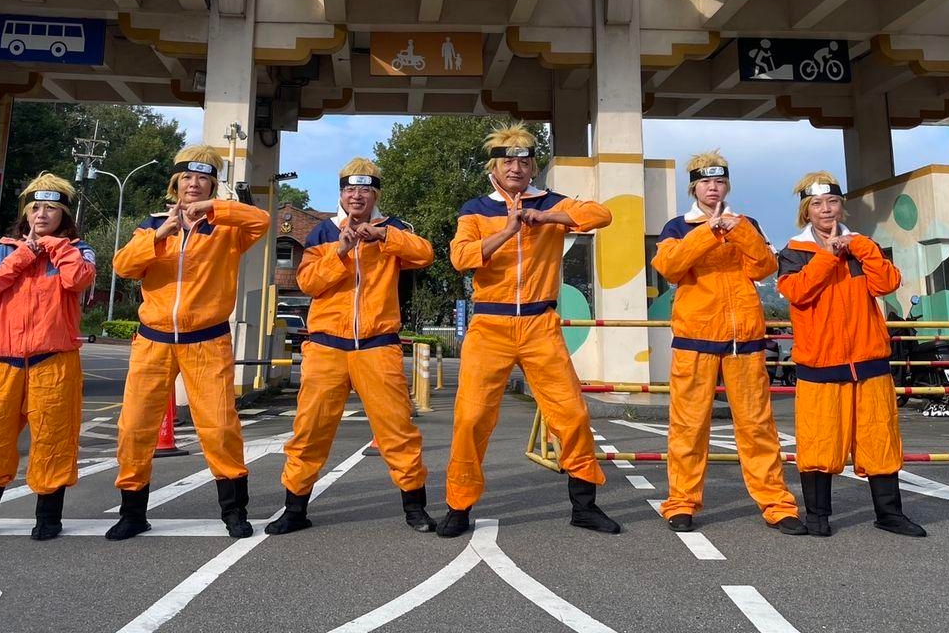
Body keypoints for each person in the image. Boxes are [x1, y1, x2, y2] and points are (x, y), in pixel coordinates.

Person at [437, 122, 619, 538]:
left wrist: (549, 216)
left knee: (571, 413)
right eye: (507, 161)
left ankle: (585, 505)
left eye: (523, 160)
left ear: (533, 165)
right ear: (494, 167)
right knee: (470, 418)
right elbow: (461, 257)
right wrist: (508, 230)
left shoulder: (552, 203)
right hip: (490, 323)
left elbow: (601, 214)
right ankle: (458, 506)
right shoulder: (475, 209)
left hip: (540, 322)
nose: (516, 167)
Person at [106, 146, 269, 541]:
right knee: (135, 426)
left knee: (219, 427)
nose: (193, 185)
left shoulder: (226, 229)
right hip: (153, 340)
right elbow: (123, 266)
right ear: (175, 184)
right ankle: (132, 511)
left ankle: (233, 511)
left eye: (202, 179)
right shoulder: (151, 225)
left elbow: (262, 220)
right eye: (187, 178)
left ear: (212, 185)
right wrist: (160, 236)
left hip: (207, 340)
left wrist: (215, 208)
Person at [266, 158, 436, 535]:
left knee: (397, 429)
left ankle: (415, 507)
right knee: (310, 429)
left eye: (364, 189)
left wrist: (384, 237)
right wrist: (339, 252)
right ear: (341, 193)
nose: (356, 196)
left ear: (375, 193)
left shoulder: (393, 228)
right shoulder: (323, 232)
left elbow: (425, 254)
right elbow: (308, 282)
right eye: (349, 189)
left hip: (378, 344)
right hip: (326, 345)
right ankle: (294, 507)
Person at [651, 152, 806, 536]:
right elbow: (669, 269)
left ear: (727, 186)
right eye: (705, 183)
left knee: (757, 425)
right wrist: (710, 231)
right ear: (694, 188)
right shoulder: (677, 226)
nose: (712, 188)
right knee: (688, 425)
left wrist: (736, 230)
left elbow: (764, 268)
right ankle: (681, 502)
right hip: (694, 339)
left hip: (745, 340)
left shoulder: (748, 223)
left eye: (719, 182)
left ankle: (777, 503)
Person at [777, 171, 926, 538]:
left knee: (880, 438)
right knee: (818, 441)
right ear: (805, 212)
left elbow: (888, 283)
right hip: (819, 362)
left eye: (831, 202)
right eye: (816, 204)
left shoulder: (863, 244)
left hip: (869, 359)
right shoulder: (793, 252)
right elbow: (797, 293)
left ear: (842, 206)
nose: (825, 210)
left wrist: (858, 248)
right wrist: (827, 257)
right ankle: (817, 517)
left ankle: (889, 514)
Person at [0, 173, 95, 541]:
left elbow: (79, 281)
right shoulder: (4, 249)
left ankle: (48, 518)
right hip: (1, 361)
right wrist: (25, 254)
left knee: (53, 439)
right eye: (36, 207)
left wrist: (56, 247)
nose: (42, 214)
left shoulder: (77, 250)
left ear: (64, 215)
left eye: (51, 208)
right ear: (26, 212)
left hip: (54, 360)